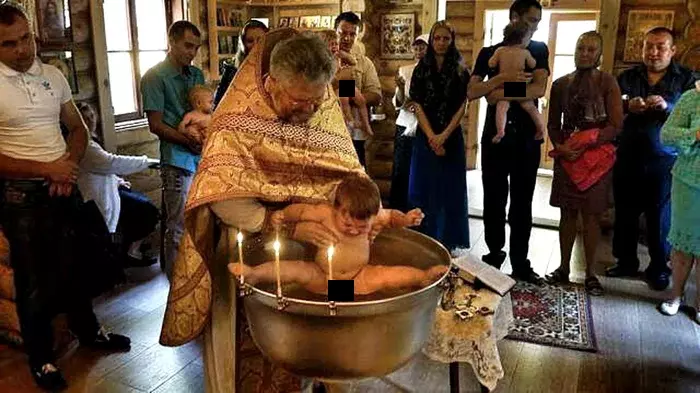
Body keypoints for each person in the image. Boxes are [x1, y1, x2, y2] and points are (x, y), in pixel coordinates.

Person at [158, 30, 365, 393]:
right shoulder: (232, 124)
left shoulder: (322, 111)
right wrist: (281, 224)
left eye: (316, 101)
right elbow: (222, 195)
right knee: (245, 357)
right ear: (271, 84)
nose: (309, 112)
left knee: (305, 347)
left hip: (309, 256)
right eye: (299, 102)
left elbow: (346, 173)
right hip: (247, 245)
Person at [0, 4, 130, 390]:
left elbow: (76, 128)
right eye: (9, 45)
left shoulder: (53, 74)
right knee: (34, 280)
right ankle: (42, 360)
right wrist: (46, 170)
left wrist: (67, 166)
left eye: (26, 38)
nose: (23, 50)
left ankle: (89, 333)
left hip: (64, 184)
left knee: (80, 265)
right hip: (21, 196)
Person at [230, 175, 442, 295]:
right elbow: (301, 210)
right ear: (336, 208)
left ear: (372, 215)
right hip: (322, 277)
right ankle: (254, 274)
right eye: (348, 224)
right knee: (296, 269)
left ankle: (423, 277)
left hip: (357, 279)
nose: (353, 231)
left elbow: (391, 217)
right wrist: (282, 215)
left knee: (385, 275)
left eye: (362, 228)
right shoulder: (325, 214)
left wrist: (405, 219)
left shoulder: (374, 216)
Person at [607, 27, 697, 290]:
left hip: (665, 160)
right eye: (649, 46)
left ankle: (659, 267)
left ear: (672, 50)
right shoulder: (627, 76)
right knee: (625, 213)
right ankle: (625, 262)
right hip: (628, 156)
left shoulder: (687, 79)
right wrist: (626, 105)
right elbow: (611, 108)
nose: (653, 52)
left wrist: (667, 107)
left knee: (660, 217)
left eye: (660, 46)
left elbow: (694, 117)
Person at [467, 0, 549, 283]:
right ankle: (493, 254)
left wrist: (498, 93)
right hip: (495, 137)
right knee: (493, 198)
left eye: (539, 20)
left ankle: (520, 261)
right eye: (531, 19)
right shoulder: (489, 52)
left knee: (522, 202)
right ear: (514, 17)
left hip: (527, 138)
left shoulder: (537, 50)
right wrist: (500, 79)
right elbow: (473, 91)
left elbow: (538, 87)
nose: (535, 25)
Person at [544, 32, 623, 295]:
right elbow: (554, 124)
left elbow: (615, 125)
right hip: (568, 158)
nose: (585, 53)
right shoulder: (560, 84)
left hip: (596, 161)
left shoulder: (608, 82)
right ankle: (563, 268)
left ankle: (590, 274)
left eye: (591, 50)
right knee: (566, 214)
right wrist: (563, 148)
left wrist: (588, 142)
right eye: (581, 48)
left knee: (591, 217)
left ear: (599, 54)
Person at [141, 20, 204, 280]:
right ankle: (176, 282)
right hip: (176, 159)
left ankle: (198, 278)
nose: (192, 53)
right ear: (173, 42)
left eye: (196, 48)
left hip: (200, 155)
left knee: (201, 221)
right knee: (177, 225)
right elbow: (155, 125)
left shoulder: (196, 75)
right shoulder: (154, 77)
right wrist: (185, 139)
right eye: (188, 46)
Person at [408, 20, 470, 255]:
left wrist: (443, 136)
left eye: (446, 38)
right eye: (437, 38)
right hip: (426, 136)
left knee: (449, 189)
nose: (441, 43)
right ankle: (424, 240)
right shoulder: (421, 69)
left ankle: (447, 241)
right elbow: (417, 104)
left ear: (452, 40)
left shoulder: (460, 70)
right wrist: (433, 137)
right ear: (431, 40)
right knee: (424, 188)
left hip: (451, 137)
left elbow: (462, 106)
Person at [76, 102, 160, 267]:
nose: (90, 121)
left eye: (92, 116)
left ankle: (130, 250)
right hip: (94, 196)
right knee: (145, 210)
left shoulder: (91, 140)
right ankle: (128, 253)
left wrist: (117, 180)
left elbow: (102, 168)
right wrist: (146, 162)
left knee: (144, 206)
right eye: (85, 118)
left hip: (108, 188)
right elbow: (109, 163)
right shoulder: (84, 145)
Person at [657, 85, 700, 321]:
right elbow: (667, 135)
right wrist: (695, 134)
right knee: (682, 246)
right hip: (688, 181)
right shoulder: (692, 97)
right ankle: (675, 295)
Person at [335, 12, 382, 166]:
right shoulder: (323, 60)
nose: (347, 38)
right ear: (335, 31)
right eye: (343, 33)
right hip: (329, 131)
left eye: (352, 34)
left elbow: (376, 95)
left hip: (355, 134)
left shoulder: (365, 63)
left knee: (357, 180)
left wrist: (352, 97)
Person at [488, 20, 544, 143]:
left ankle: (500, 131)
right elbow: (533, 64)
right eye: (529, 38)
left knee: (501, 107)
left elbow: (491, 63)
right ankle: (541, 128)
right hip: (520, 86)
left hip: (504, 87)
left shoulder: (500, 50)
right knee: (530, 107)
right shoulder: (525, 52)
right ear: (523, 39)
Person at [390, 34, 428, 212]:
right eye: (416, 47)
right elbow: (399, 103)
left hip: (425, 127)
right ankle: (398, 212)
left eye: (423, 47)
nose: (419, 51)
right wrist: (400, 88)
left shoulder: (435, 72)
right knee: (401, 172)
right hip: (405, 125)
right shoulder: (405, 70)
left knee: (420, 174)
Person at [317, 29, 374, 138]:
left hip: (346, 83)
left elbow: (353, 62)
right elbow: (330, 78)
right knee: (344, 102)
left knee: (361, 100)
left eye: (336, 44)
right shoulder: (324, 60)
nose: (334, 47)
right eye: (331, 44)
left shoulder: (338, 55)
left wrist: (346, 56)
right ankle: (350, 120)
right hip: (337, 86)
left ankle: (366, 125)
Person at [214, 19, 268, 107]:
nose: (255, 45)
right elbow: (218, 103)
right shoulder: (231, 70)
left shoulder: (275, 69)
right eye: (250, 41)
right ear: (243, 44)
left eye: (260, 40)